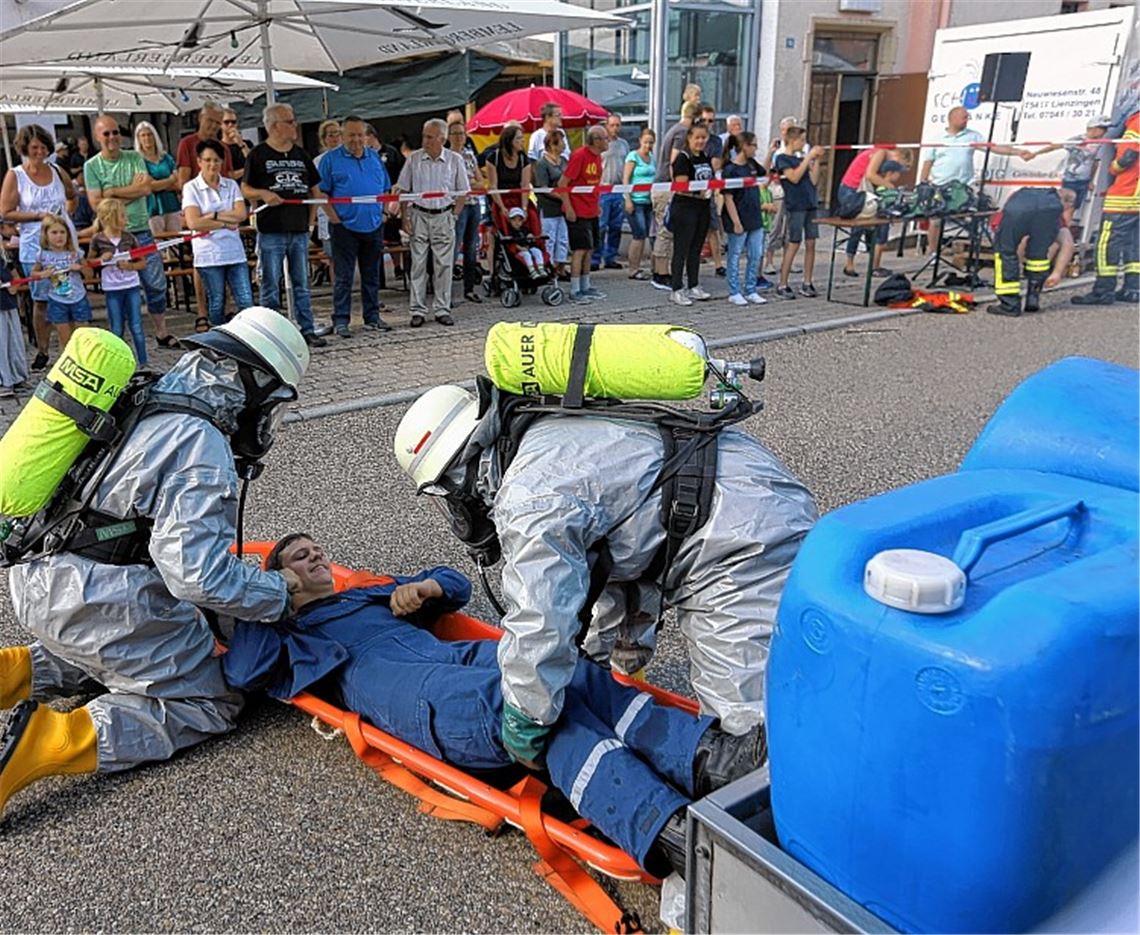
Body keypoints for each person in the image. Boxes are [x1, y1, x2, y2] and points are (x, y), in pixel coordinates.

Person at [223, 534, 768, 879]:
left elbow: (456, 584)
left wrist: (429, 587)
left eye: (316, 549)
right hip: (415, 696)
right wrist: (265, 593)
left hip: (457, 658)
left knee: (562, 670)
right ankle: (664, 827)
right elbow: (244, 669)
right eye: (299, 556)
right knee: (531, 711)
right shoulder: (291, 637)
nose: (315, 556)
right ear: (281, 577)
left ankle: (707, 759)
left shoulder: (366, 593)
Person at [393, 382, 817, 767]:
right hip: (738, 482)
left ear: (456, 477)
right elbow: (619, 554)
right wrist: (600, 667)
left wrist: (526, 720)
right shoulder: (545, 428)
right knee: (799, 675)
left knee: (746, 734)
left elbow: (540, 623)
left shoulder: (528, 499)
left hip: (741, 537)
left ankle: (776, 813)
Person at [0, 307, 310, 821]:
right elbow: (197, 576)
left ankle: (12, 673)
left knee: (116, 654)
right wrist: (280, 592)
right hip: (93, 600)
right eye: (272, 405)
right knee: (207, 701)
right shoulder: (200, 443)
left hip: (38, 576)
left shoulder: (144, 393)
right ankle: (51, 738)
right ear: (253, 385)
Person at [85, 114, 175, 349]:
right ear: (97, 137)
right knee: (119, 289)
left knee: (156, 284)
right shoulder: (92, 166)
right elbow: (96, 204)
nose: (112, 137)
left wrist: (111, 192)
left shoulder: (134, 156)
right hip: (111, 237)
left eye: (115, 132)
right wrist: (129, 190)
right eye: (106, 133)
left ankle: (161, 331)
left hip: (141, 230)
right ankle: (121, 337)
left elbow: (145, 189)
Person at [242, 102, 326, 347]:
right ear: (274, 126)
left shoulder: (301, 154)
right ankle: (271, 333)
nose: (295, 125)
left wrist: (310, 222)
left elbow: (315, 191)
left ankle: (307, 328)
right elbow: (245, 188)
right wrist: (263, 194)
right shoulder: (258, 155)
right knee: (270, 283)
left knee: (302, 283)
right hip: (271, 229)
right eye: (289, 121)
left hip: (299, 228)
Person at [0, 123, 77, 371]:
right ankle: (43, 349)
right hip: (35, 244)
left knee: (65, 294)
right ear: (25, 148)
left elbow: (72, 195)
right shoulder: (16, 175)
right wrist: (37, 216)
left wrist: (66, 219)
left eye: (43, 147)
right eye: (35, 147)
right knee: (41, 299)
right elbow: (5, 212)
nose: (40, 152)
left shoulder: (56, 170)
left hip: (62, 243)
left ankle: (68, 346)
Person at [318, 115, 392, 338]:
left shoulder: (374, 157)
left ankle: (372, 317)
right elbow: (321, 193)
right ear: (343, 135)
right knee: (343, 277)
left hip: (373, 225)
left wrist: (384, 213)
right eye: (351, 135)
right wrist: (335, 219)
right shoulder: (330, 160)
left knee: (371, 275)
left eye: (360, 135)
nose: (356, 139)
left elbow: (385, 188)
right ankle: (341, 320)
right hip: (344, 227)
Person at [920, 106, 1031, 250]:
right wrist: (923, 184)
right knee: (935, 221)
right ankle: (933, 252)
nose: (967, 120)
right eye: (964, 117)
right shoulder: (937, 139)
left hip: (966, 185)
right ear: (952, 119)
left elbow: (993, 148)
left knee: (990, 207)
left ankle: (995, 242)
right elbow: (928, 163)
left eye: (967, 117)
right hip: (941, 186)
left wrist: (1018, 152)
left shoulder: (972, 136)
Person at [393, 118, 468, 329]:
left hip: (443, 215)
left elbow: (463, 192)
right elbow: (404, 190)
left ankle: (442, 309)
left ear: (442, 139)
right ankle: (417, 310)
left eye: (429, 137)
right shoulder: (414, 159)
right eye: (424, 136)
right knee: (417, 264)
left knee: (444, 265)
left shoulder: (455, 160)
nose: (424, 141)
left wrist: (453, 216)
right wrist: (405, 217)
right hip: (419, 214)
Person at [183, 139, 253, 330]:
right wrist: (224, 222)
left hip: (234, 252)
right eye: (207, 160)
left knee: (246, 299)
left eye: (216, 160)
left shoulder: (231, 185)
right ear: (199, 161)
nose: (212, 165)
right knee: (217, 301)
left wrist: (212, 215)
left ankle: (247, 334)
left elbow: (241, 214)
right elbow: (194, 222)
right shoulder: (191, 187)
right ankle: (219, 336)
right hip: (209, 254)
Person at [1071, 109, 1139, 306]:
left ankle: (1103, 291)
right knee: (1134, 245)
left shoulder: (1136, 122)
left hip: (1125, 195)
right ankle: (1133, 289)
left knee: (1106, 244)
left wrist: (1113, 168)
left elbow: (1128, 155)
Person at [987, 187, 1076, 317]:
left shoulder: (1024, 196)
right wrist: (1056, 273)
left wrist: (1014, 267)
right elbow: (1067, 243)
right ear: (1066, 204)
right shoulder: (1053, 208)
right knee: (1038, 255)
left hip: (1016, 212)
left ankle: (1009, 305)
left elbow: (1012, 242)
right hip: (1042, 213)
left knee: (1005, 253)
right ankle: (1033, 298)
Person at [89, 198, 148, 365]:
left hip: (131, 286)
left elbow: (142, 262)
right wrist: (101, 259)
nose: (126, 219)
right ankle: (117, 362)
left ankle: (143, 362)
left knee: (136, 326)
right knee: (116, 327)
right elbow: (89, 262)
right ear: (110, 218)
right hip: (112, 288)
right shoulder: (98, 239)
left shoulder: (129, 238)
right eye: (122, 216)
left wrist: (130, 266)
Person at [651, 101, 701, 292]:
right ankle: (661, 274)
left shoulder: (675, 129)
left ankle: (661, 271)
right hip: (666, 186)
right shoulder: (682, 133)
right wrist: (677, 189)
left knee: (665, 231)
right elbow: (674, 161)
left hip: (662, 186)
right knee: (666, 232)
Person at [836, 145, 908, 278]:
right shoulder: (880, 153)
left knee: (872, 225)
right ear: (898, 155)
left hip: (854, 189)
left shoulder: (880, 156)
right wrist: (890, 187)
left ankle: (871, 265)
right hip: (853, 190)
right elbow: (870, 175)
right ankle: (854, 264)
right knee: (859, 227)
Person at [560, 125, 609, 305]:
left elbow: (593, 185)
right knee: (579, 250)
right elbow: (563, 183)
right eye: (605, 138)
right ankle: (574, 290)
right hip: (578, 210)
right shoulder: (580, 156)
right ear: (596, 140)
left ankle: (585, 285)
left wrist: (597, 204)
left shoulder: (597, 157)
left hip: (591, 209)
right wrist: (569, 208)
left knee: (590, 249)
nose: (608, 142)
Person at [773, 126, 823, 300]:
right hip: (796, 205)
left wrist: (815, 162)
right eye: (801, 140)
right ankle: (783, 283)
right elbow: (793, 178)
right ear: (793, 141)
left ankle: (807, 282)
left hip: (810, 203)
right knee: (793, 243)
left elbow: (813, 180)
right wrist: (808, 158)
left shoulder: (800, 159)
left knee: (811, 243)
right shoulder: (782, 159)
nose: (803, 143)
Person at [668, 122, 714, 307]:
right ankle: (676, 289)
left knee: (696, 248)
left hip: (703, 208)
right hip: (685, 208)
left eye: (703, 138)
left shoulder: (704, 157)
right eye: (697, 137)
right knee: (681, 249)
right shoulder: (683, 158)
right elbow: (680, 186)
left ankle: (694, 284)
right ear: (689, 138)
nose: (700, 141)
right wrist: (698, 192)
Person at [721, 131, 767, 307]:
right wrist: (736, 222)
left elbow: (764, 175)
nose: (756, 149)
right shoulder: (730, 170)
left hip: (754, 216)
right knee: (735, 255)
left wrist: (771, 152)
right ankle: (734, 291)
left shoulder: (752, 164)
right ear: (745, 146)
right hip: (739, 217)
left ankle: (751, 288)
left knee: (755, 254)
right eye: (754, 145)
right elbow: (728, 197)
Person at [30, 214, 89, 348]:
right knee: (65, 340)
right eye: (54, 232)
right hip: (57, 299)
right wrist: (43, 274)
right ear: (46, 235)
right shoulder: (42, 255)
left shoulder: (75, 253)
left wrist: (80, 268)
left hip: (78, 297)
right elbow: (33, 274)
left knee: (82, 337)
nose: (59, 236)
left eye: (62, 232)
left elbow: (89, 274)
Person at [1030, 115, 1112, 211]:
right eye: (1103, 128)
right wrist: (1035, 153)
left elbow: (1095, 162)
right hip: (1070, 179)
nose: (1105, 131)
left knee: (1075, 207)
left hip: (1084, 180)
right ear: (1093, 128)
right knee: (1068, 206)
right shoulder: (1077, 139)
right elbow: (1055, 146)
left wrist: (1091, 181)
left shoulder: (1099, 143)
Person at [448, 120, 484, 305]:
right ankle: (447, 293)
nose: (459, 137)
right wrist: (468, 184)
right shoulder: (446, 157)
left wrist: (469, 184)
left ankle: (469, 289)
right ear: (449, 136)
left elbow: (481, 182)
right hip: (457, 205)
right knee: (454, 247)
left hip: (473, 204)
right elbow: (450, 184)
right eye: (455, 134)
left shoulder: (470, 155)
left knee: (471, 247)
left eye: (462, 133)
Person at [533, 128, 570, 282]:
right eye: (561, 141)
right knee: (549, 239)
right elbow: (543, 187)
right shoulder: (542, 164)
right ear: (553, 144)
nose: (564, 144)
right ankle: (549, 267)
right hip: (548, 207)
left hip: (562, 208)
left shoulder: (564, 161)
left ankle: (561, 267)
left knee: (563, 238)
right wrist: (562, 197)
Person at [592, 113, 628, 271]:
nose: (615, 128)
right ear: (606, 126)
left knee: (616, 226)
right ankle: (595, 258)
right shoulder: (601, 145)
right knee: (601, 226)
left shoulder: (623, 144)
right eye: (612, 125)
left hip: (619, 188)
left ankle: (610, 257)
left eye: (617, 125)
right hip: (603, 189)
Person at [135, 121, 182, 238]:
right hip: (153, 208)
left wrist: (157, 183)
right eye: (143, 135)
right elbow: (148, 186)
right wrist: (170, 180)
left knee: (176, 241)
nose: (147, 138)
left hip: (172, 205)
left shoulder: (166, 157)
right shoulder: (138, 161)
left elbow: (178, 182)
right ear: (138, 139)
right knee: (158, 242)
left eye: (149, 134)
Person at [622, 127, 656, 281]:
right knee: (638, 235)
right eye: (646, 142)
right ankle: (633, 268)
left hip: (648, 201)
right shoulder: (633, 156)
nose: (648, 145)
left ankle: (639, 266)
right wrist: (628, 199)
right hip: (635, 201)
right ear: (640, 141)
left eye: (651, 142)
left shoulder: (652, 157)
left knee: (645, 235)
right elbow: (626, 179)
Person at [175, 102, 234, 186]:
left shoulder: (224, 148)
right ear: (200, 118)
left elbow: (229, 178)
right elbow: (183, 182)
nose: (213, 126)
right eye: (210, 120)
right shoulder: (187, 144)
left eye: (218, 123)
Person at [313, 119, 343, 279]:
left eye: (338, 134)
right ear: (324, 139)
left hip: (349, 212)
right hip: (328, 214)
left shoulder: (349, 157)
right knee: (334, 258)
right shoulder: (318, 162)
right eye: (331, 135)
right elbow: (318, 191)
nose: (335, 138)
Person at [700, 104, 726, 279]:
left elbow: (715, 165)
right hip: (692, 188)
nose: (707, 123)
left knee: (713, 227)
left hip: (708, 187)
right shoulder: (691, 136)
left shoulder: (715, 141)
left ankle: (718, 264)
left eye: (710, 121)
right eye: (704, 120)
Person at [0, 242, 27, 398]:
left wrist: (14, 286)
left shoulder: (5, 259)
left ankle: (17, 377)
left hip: (8, 305)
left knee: (13, 343)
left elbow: (16, 277)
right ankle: (4, 381)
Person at [502, 205, 548, 278]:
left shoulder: (525, 229)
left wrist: (531, 236)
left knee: (537, 251)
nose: (517, 222)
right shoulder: (511, 232)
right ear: (510, 221)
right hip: (519, 250)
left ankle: (541, 268)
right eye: (514, 220)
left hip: (529, 247)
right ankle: (532, 271)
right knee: (527, 255)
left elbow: (530, 237)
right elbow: (512, 243)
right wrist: (520, 248)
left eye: (519, 220)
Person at [221, 109, 250, 183]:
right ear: (221, 124)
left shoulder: (246, 144)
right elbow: (225, 175)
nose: (230, 125)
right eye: (226, 122)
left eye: (233, 122)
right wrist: (247, 170)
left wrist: (241, 144)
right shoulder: (218, 147)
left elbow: (254, 161)